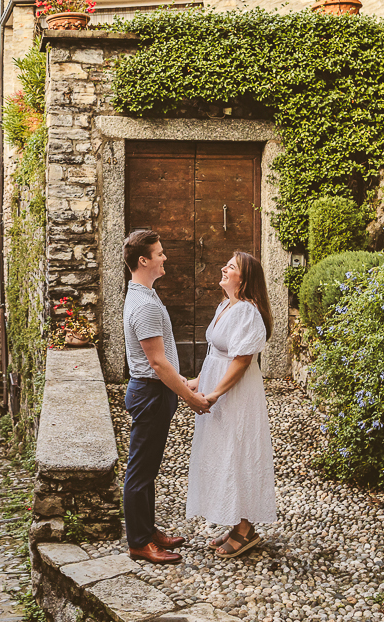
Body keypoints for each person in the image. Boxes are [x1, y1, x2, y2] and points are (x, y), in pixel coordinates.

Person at [122, 229, 212, 564]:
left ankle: (146, 531)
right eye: (159, 253)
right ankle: (139, 543)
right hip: (150, 394)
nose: (164, 257)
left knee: (147, 469)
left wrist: (184, 383)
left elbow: (162, 362)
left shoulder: (144, 295)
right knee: (140, 471)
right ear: (143, 260)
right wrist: (191, 398)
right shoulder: (144, 304)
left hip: (154, 392)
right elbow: (157, 363)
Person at [185, 250, 276, 558]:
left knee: (238, 452)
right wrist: (200, 381)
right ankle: (237, 522)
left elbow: (241, 360)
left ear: (244, 278)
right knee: (222, 452)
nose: (223, 268)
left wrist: (214, 393)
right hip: (220, 387)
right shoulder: (226, 305)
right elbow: (216, 354)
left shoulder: (248, 312)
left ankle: (246, 529)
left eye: (232, 267)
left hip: (236, 394)